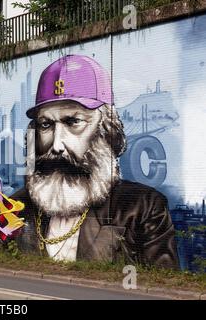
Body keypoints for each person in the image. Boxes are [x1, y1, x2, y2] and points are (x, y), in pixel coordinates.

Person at [13, 55, 179, 269]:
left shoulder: (143, 207)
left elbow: (160, 287)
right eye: (46, 125)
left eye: (73, 122)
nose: (57, 145)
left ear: (106, 128)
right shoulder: (15, 207)